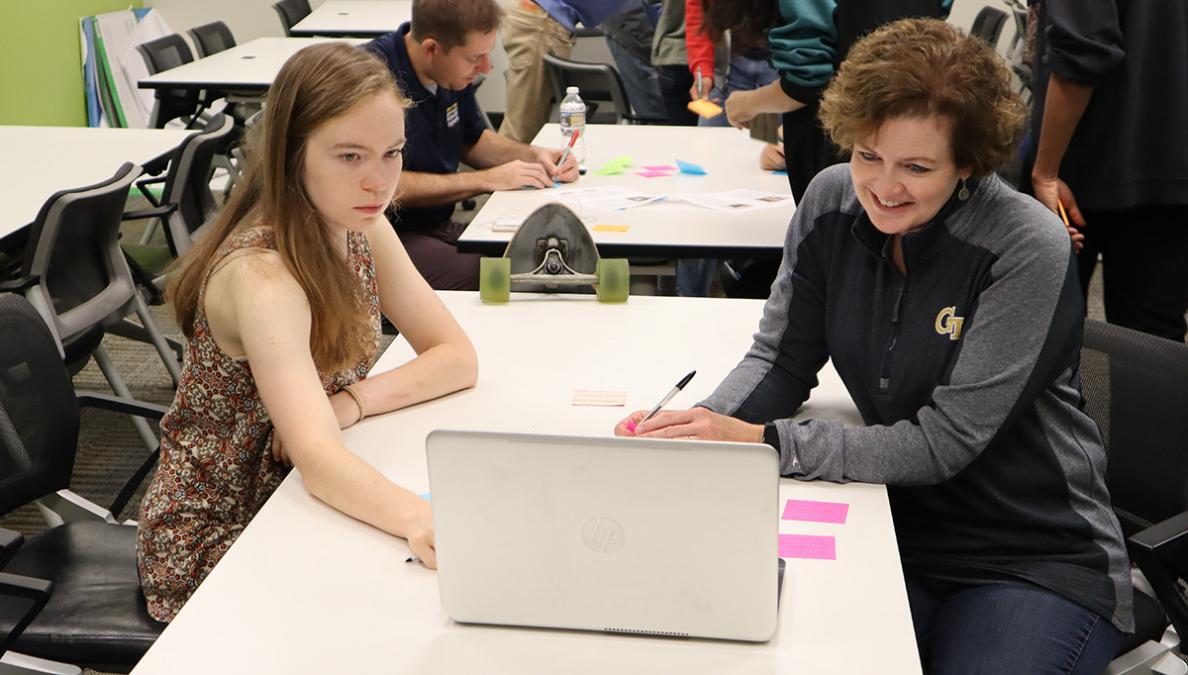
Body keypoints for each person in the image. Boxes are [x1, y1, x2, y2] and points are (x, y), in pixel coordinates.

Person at [617, 19, 1133, 672]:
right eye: (868, 155)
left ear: (967, 160)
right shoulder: (831, 201)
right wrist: (700, 430)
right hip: (885, 524)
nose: (884, 187)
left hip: (1032, 552)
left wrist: (764, 441)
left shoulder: (1023, 243)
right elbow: (780, 360)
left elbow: (942, 441)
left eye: (917, 167)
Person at [137, 43, 479, 623]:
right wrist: (421, 517)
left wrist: (353, 401)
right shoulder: (263, 276)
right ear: (293, 154)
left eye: (391, 153)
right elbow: (316, 457)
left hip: (295, 495)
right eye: (350, 156)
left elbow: (457, 357)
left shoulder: (357, 223)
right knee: (400, 612)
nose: (378, 181)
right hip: (225, 530)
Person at [366, 0, 579, 291]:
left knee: (540, 247)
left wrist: (535, 156)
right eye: (474, 58)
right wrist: (485, 180)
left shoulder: (447, 75)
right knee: (498, 272)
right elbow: (381, 185)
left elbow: (473, 140)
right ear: (431, 49)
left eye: (488, 55)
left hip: (432, 224)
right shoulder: (372, 82)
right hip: (378, 234)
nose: (486, 68)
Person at [1028, 0, 1188, 342]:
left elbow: (1083, 50)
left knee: (1054, 334)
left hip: (1088, 164)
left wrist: (1046, 171)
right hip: (1171, 164)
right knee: (1153, 345)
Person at [722, 0, 952, 203]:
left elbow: (805, 84)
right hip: (918, 134)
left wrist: (745, 105)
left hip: (842, 147)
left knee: (842, 237)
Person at [498, 0, 635, 144]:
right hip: (541, 15)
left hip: (540, 12)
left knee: (525, 122)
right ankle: (505, 164)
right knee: (523, 129)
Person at [684, 0, 777, 129]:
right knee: (710, 141)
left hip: (778, 70)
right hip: (728, 71)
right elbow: (699, 13)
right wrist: (703, 69)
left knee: (766, 142)